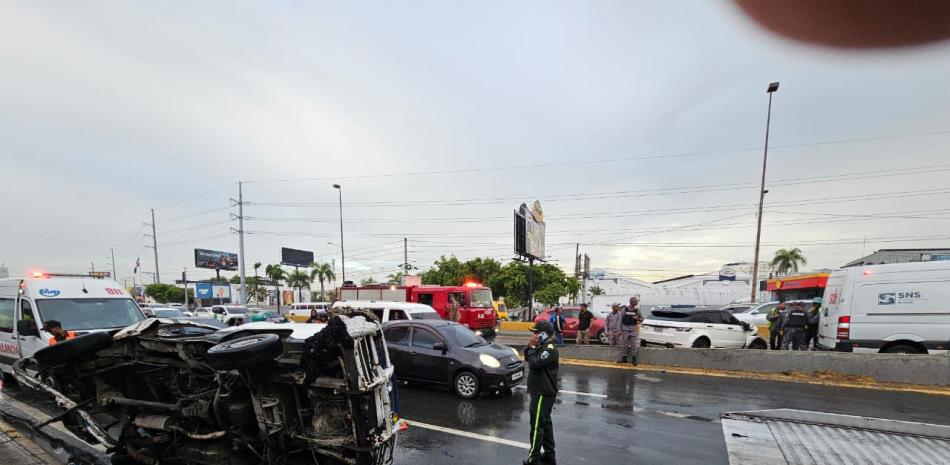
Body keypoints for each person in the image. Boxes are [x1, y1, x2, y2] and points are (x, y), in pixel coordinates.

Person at [523, 320, 559, 465]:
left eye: (536, 332)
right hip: (540, 391)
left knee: (537, 427)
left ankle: (534, 459)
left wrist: (532, 347)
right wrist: (530, 347)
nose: (534, 335)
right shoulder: (542, 346)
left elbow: (534, 363)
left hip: (543, 393)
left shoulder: (549, 349)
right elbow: (528, 358)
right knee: (546, 425)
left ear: (544, 334)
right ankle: (550, 456)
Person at [618, 297, 643, 365]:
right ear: (631, 302)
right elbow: (620, 320)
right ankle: (624, 358)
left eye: (636, 301)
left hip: (633, 329)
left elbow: (642, 319)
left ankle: (634, 359)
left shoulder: (637, 310)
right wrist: (619, 330)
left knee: (633, 345)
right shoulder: (624, 310)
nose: (636, 302)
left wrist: (637, 318)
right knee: (624, 344)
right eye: (635, 301)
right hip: (625, 329)